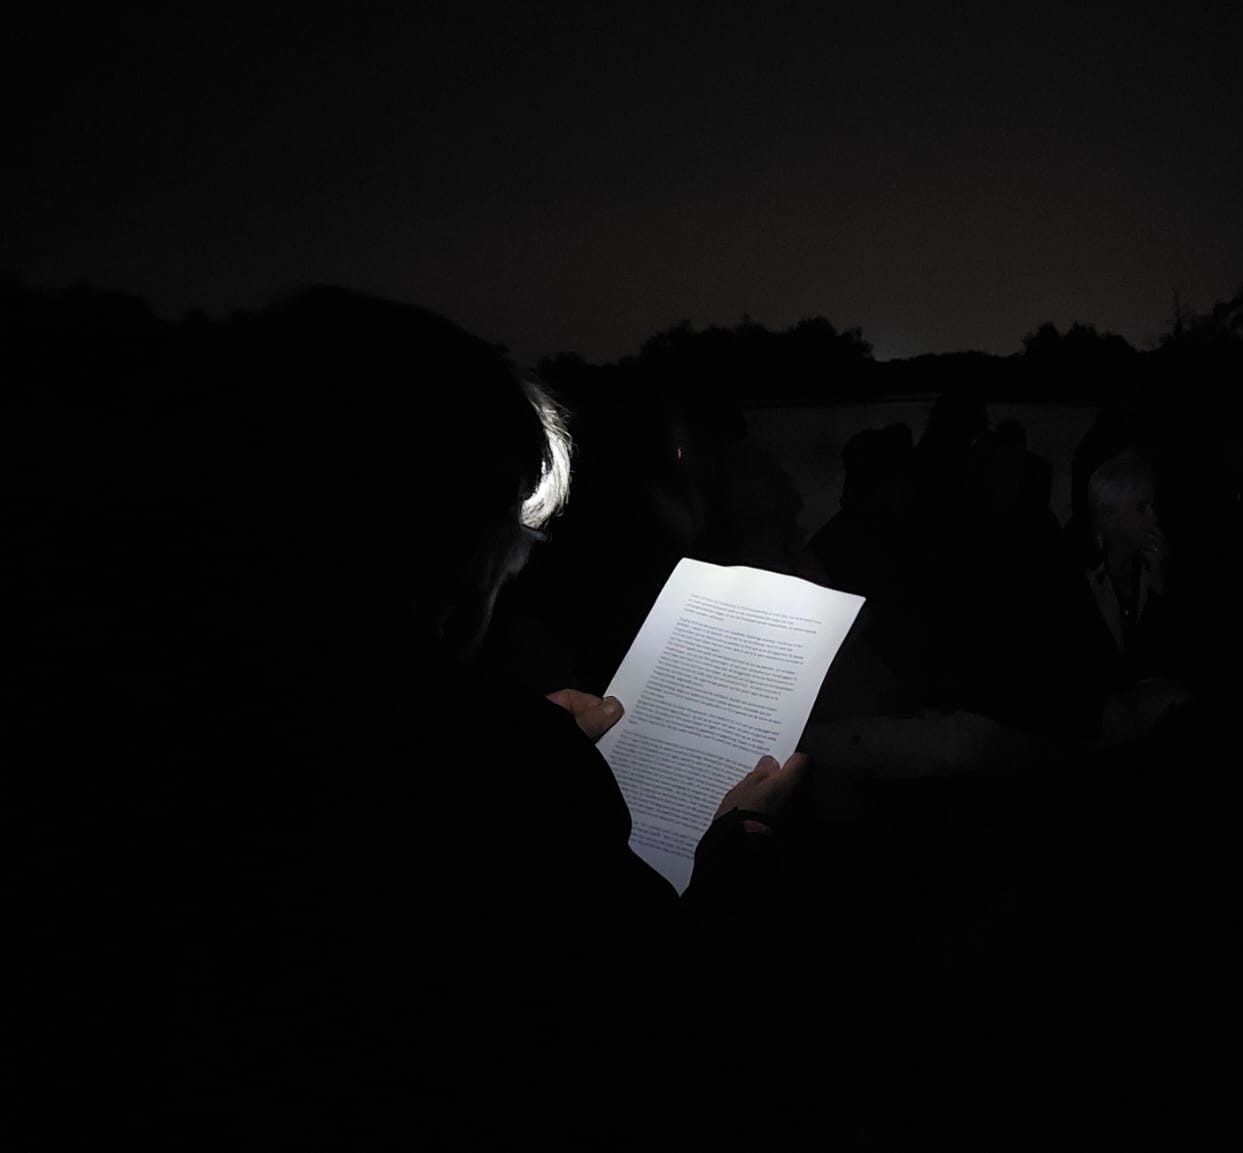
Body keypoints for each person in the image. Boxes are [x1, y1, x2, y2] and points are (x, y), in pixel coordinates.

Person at [22, 287, 820, 1148]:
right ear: (454, 531)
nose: (515, 567)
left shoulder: (89, 700)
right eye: (511, 529)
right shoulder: (498, 769)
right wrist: (741, 848)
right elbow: (655, 1036)